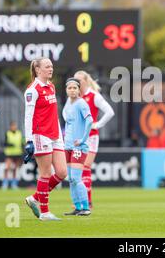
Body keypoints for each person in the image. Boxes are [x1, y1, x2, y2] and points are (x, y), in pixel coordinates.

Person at [23, 58, 67, 221]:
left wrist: (59, 134)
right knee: (46, 173)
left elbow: (53, 113)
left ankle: (34, 198)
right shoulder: (32, 90)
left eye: (52, 66)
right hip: (40, 135)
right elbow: (28, 116)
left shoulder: (51, 86)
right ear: (37, 70)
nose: (51, 69)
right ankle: (45, 213)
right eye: (47, 66)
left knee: (62, 172)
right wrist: (29, 140)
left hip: (55, 135)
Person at [74, 71, 115, 209]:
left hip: (91, 136)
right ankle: (81, 202)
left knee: (85, 167)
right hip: (78, 138)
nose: (76, 82)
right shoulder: (75, 97)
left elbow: (110, 111)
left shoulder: (94, 96)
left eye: (79, 80)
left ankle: (87, 202)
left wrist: (98, 124)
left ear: (85, 80)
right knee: (78, 170)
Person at [62, 78, 93, 216]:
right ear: (66, 90)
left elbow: (90, 120)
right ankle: (78, 207)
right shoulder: (68, 106)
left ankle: (86, 207)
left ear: (79, 90)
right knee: (70, 179)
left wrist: (83, 139)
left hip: (79, 148)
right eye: (70, 88)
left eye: (75, 88)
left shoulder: (81, 103)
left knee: (76, 177)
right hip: (68, 146)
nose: (72, 90)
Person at [2, 121, 24, 190]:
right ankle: (5, 184)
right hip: (9, 154)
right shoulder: (7, 133)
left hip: (18, 153)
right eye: (13, 126)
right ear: (10, 126)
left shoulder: (19, 133)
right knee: (7, 168)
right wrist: (9, 145)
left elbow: (22, 142)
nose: (14, 127)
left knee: (15, 169)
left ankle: (14, 184)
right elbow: (4, 143)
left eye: (15, 126)